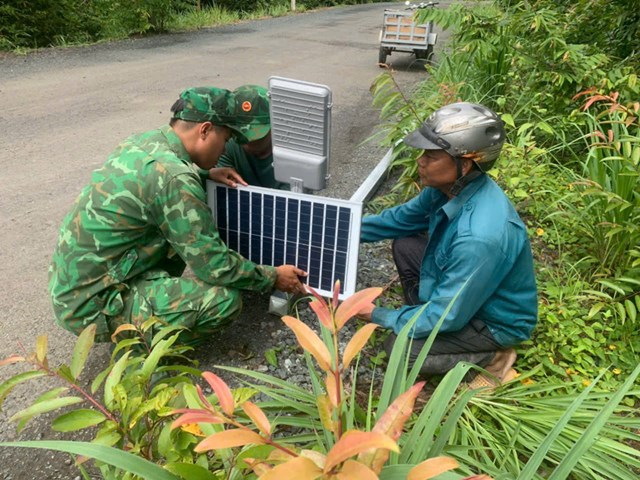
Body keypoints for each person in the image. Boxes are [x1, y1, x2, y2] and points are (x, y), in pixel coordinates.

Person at [48, 87, 306, 345]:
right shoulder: (176, 179)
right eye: (225, 139)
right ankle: (146, 352)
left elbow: (156, 184)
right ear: (204, 130)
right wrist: (273, 276)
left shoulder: (144, 142)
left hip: (73, 289)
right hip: (93, 306)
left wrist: (205, 175)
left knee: (175, 236)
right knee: (223, 301)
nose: (225, 148)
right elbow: (214, 265)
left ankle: (143, 306)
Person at [357, 102, 538, 387]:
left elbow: (447, 315)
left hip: (492, 321)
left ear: (464, 163)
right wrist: (336, 228)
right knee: (405, 245)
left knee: (399, 351)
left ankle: (492, 357)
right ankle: (421, 319)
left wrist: (376, 313)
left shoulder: (479, 236)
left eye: (431, 156)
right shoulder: (447, 190)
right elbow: (398, 220)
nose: (420, 161)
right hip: (466, 295)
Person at [210, 84, 289, 190]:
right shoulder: (228, 145)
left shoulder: (290, 154)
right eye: (240, 134)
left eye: (255, 136)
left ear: (273, 126)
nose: (247, 143)